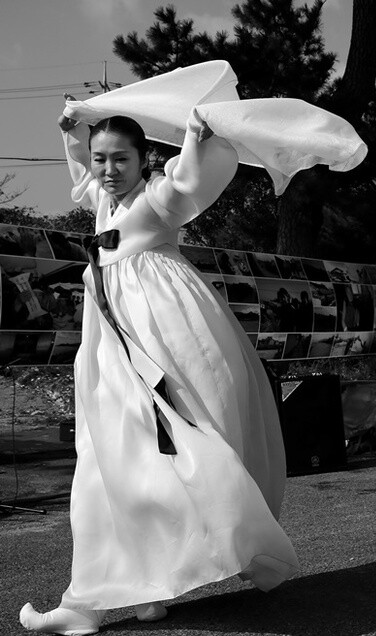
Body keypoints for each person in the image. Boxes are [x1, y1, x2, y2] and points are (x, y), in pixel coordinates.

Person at [20, 97, 299, 635]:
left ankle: (94, 601)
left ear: (144, 159)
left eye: (120, 159)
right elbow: (81, 168)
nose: (107, 170)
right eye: (101, 159)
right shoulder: (105, 203)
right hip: (111, 349)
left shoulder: (158, 197)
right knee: (112, 460)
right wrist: (72, 133)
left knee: (153, 458)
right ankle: (135, 589)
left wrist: (195, 134)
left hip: (161, 345)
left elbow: (193, 182)